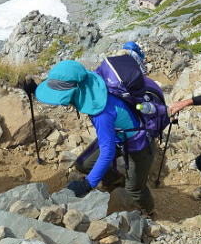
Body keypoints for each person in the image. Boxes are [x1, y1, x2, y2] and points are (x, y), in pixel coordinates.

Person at [36, 60, 156, 212]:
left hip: (139, 144)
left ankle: (149, 210)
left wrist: (88, 184)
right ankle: (115, 179)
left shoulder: (102, 112)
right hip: (117, 136)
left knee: (134, 189)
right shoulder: (90, 81)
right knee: (84, 164)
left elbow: (107, 153)